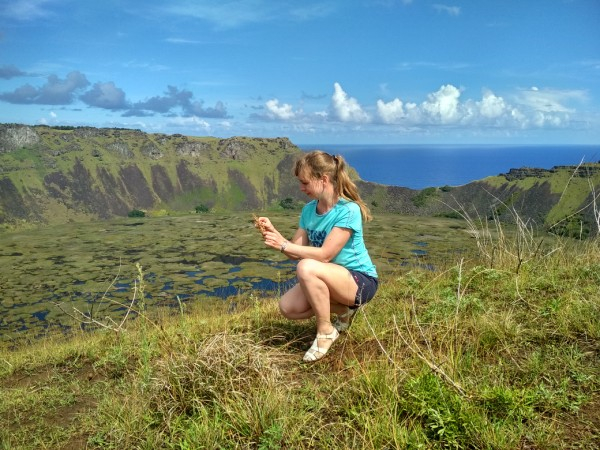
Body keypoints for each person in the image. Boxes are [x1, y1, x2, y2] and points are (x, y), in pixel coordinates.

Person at [257, 150, 378, 362]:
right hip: (330, 276)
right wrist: (274, 235)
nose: (301, 188)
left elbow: (324, 255)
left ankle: (325, 331)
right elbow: (295, 251)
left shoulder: (349, 210)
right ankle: (344, 312)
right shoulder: (308, 210)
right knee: (288, 308)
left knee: (307, 267)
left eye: (304, 183)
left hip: (360, 281)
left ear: (323, 179)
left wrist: (284, 245)